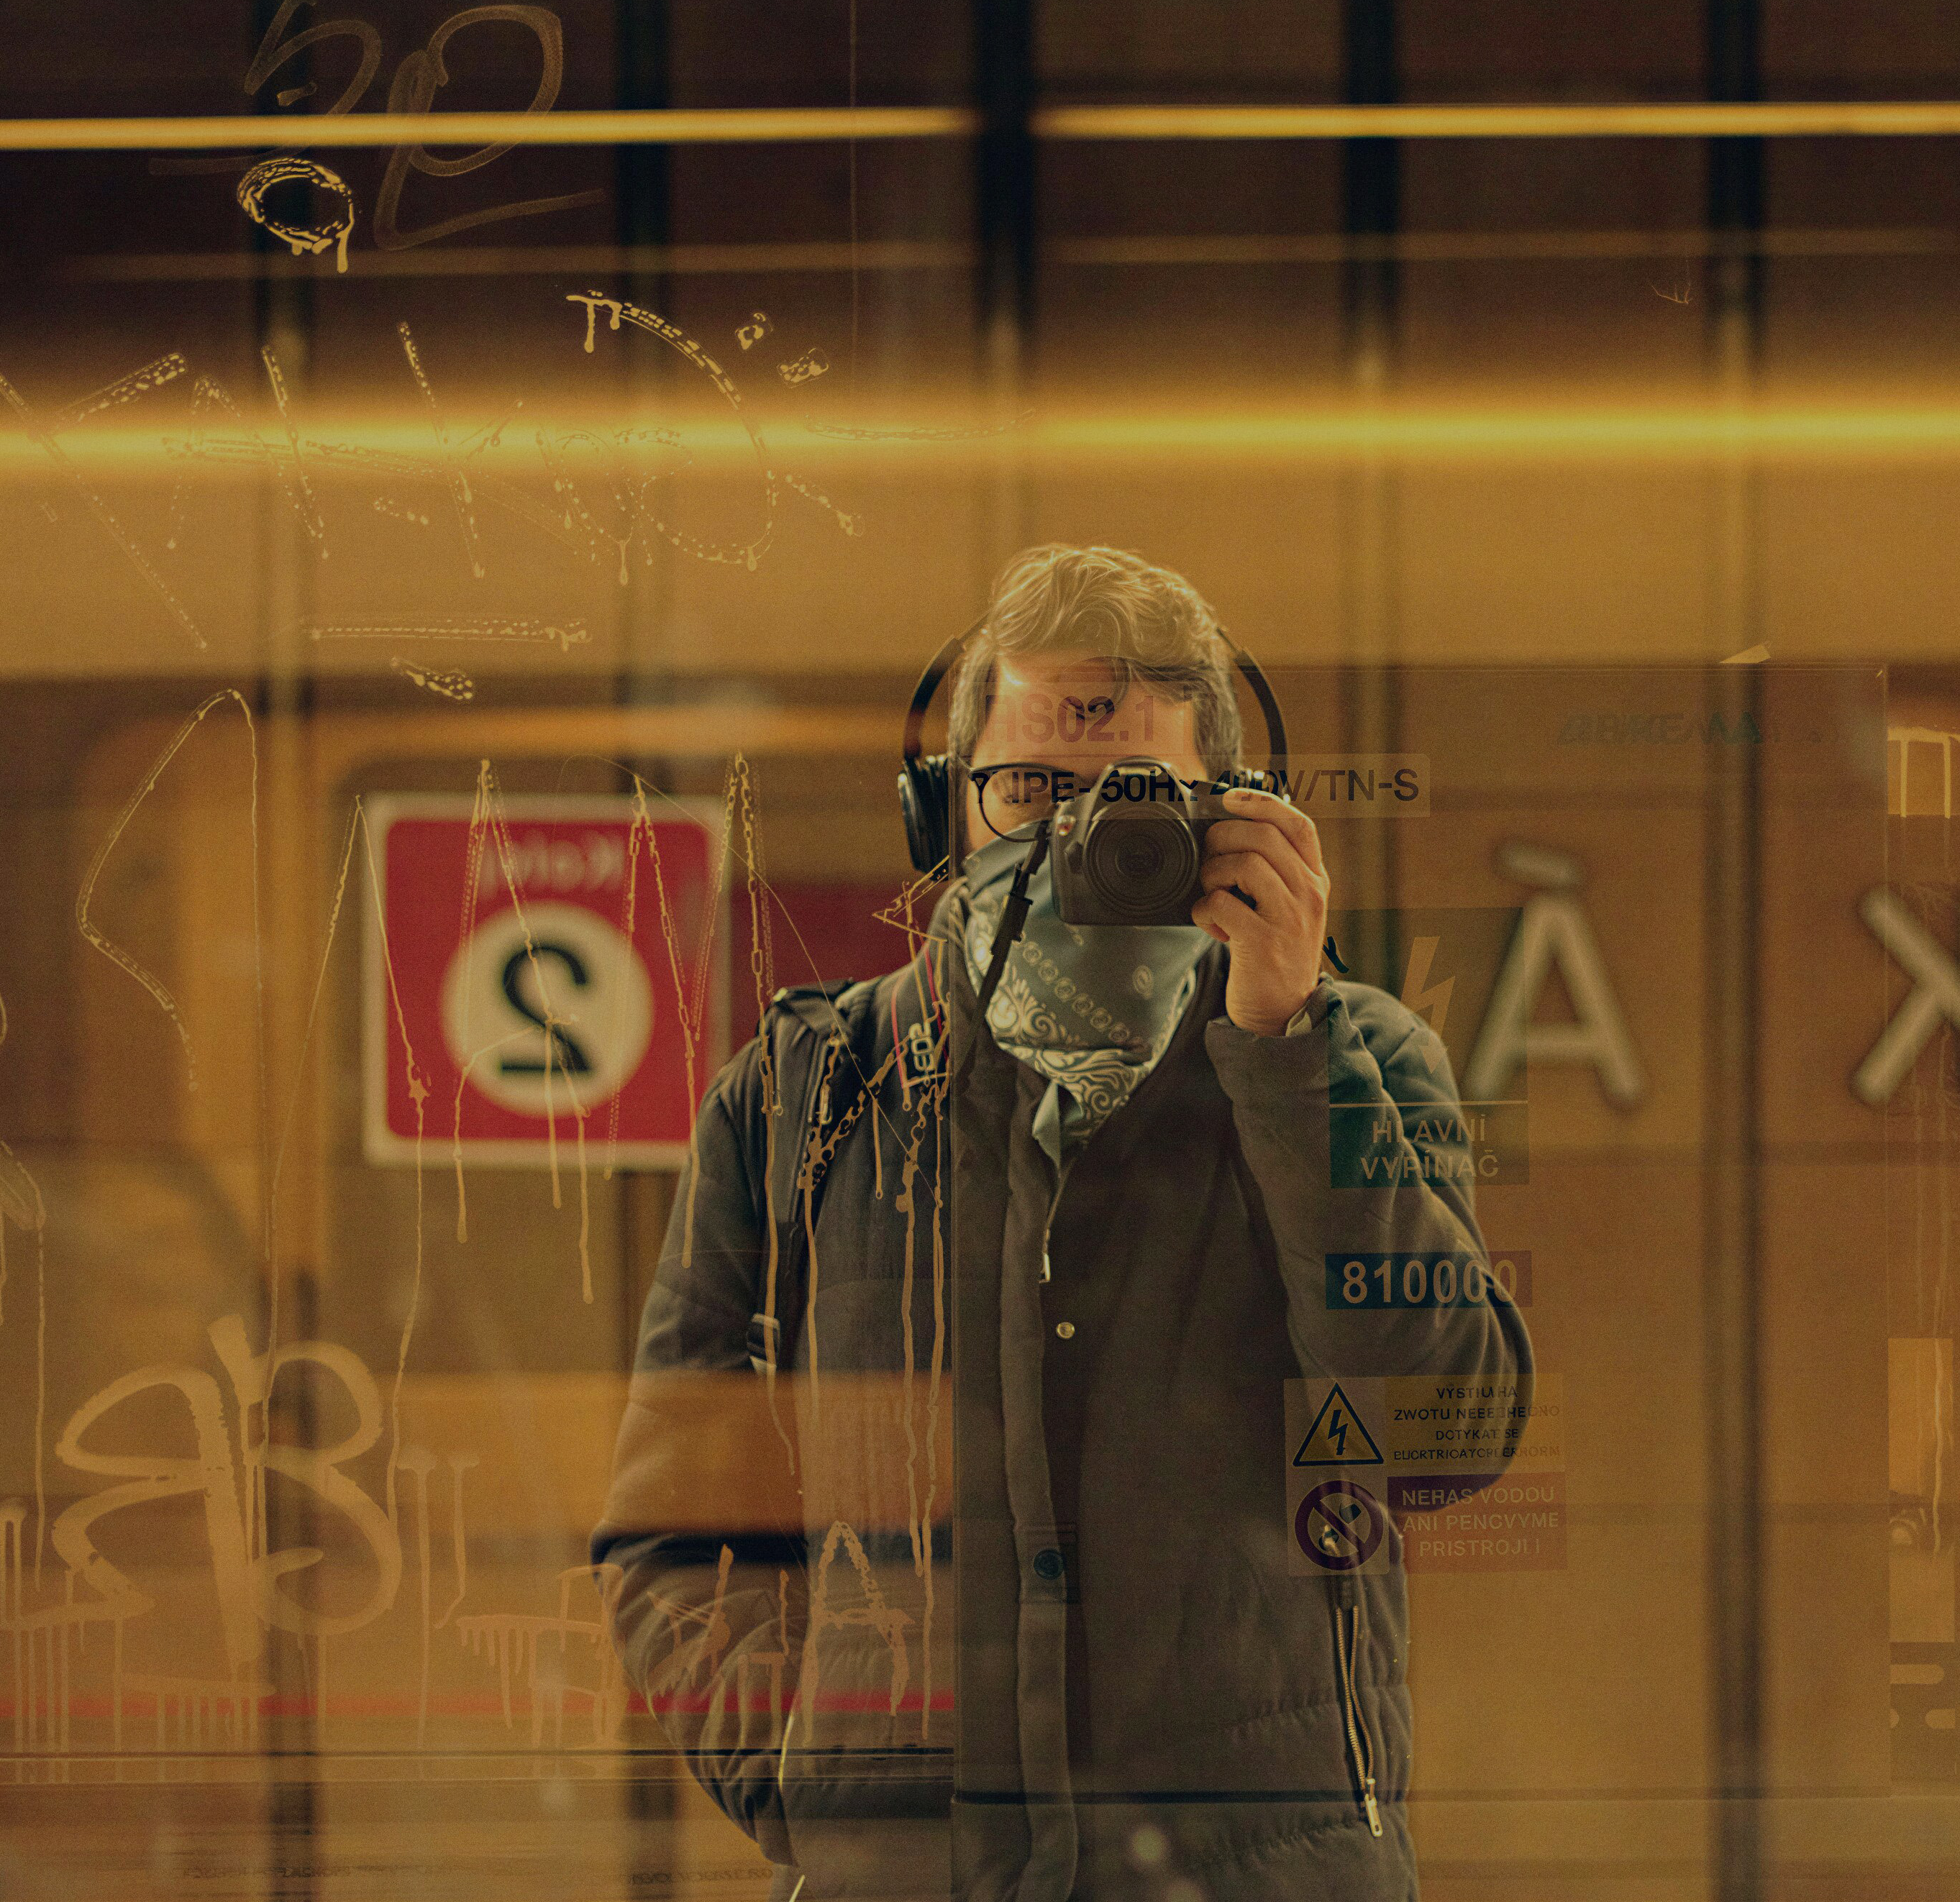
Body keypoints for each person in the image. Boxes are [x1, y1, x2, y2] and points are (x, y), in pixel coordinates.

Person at [593, 544, 1531, 1901]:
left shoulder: (1357, 1060)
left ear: (1235, 818)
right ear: (943, 811)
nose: (1072, 836)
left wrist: (1287, 1051)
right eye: (1028, 788)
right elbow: (670, 1529)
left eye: (1128, 794)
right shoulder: (808, 1093)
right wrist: (816, 1785)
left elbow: (1446, 1439)